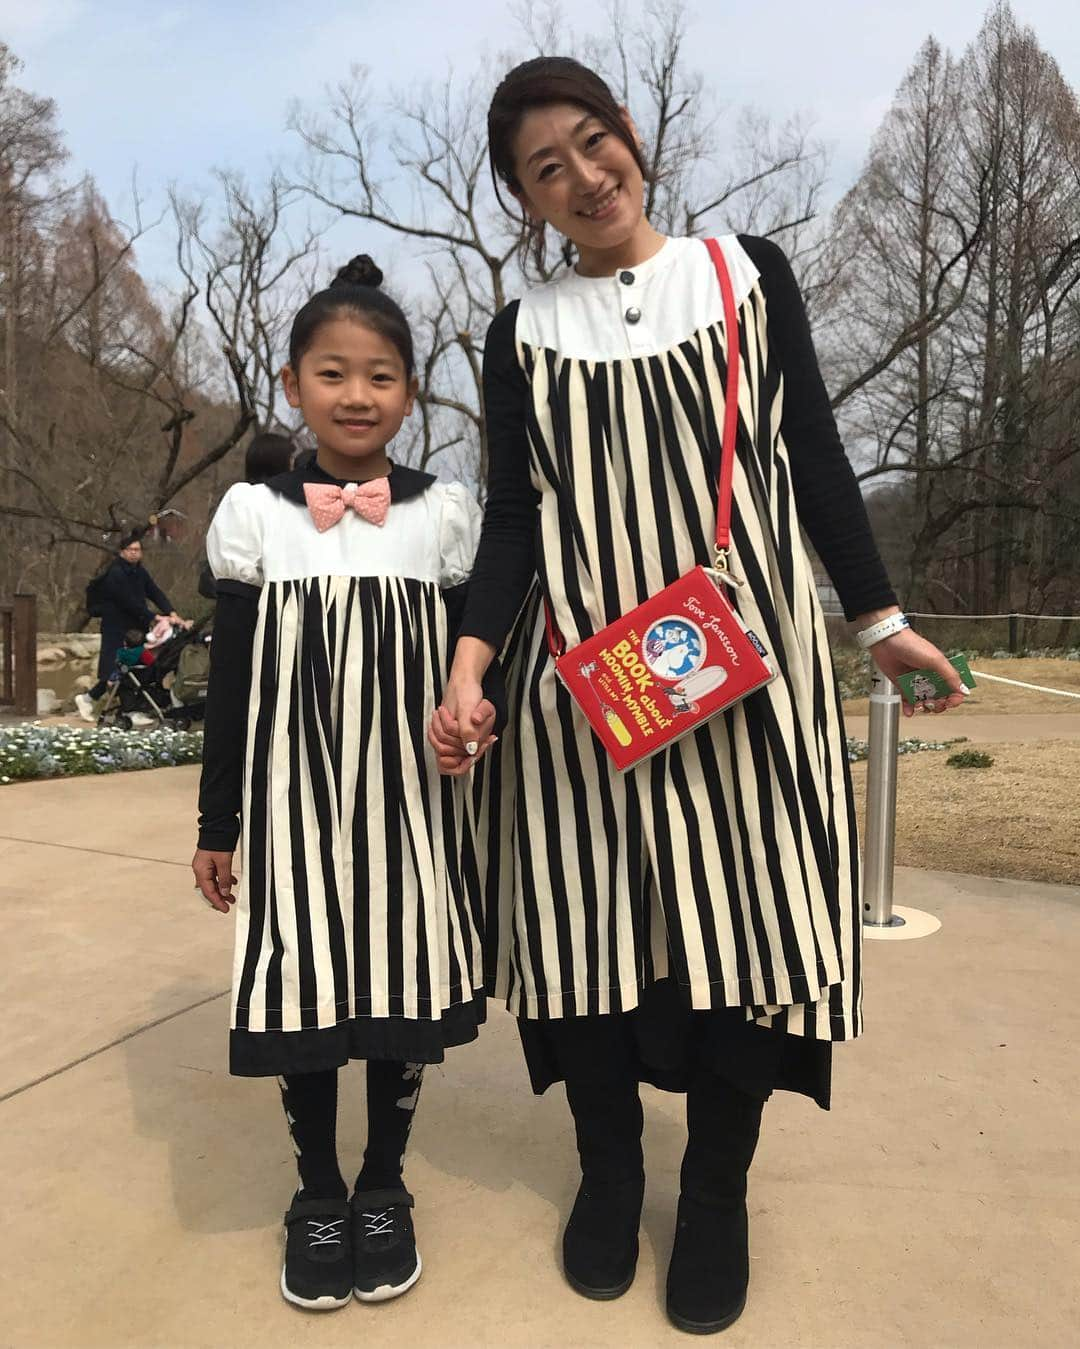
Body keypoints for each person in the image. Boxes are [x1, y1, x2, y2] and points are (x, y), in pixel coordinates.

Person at [429, 57, 966, 1336]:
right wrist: (470, 662)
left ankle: (714, 1187)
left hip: (747, 670)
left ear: (634, 137)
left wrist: (879, 618)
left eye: (591, 140)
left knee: (754, 926)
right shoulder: (522, 332)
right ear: (527, 202)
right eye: (543, 168)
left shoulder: (746, 275)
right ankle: (611, 1166)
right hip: (582, 692)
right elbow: (515, 516)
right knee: (586, 931)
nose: (582, 175)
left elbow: (817, 454)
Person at [191, 255, 496, 1312]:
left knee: (403, 986)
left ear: (410, 391)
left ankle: (384, 1182)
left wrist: (475, 732)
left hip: (414, 803)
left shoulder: (445, 515)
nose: (356, 395)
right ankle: (316, 1189)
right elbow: (229, 682)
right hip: (292, 809)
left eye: (380, 375)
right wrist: (217, 818)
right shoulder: (254, 515)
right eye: (332, 373)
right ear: (291, 385)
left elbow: (475, 659)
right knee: (303, 983)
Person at [75, 532, 190, 722]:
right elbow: (128, 602)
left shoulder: (139, 572)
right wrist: (154, 617)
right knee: (121, 666)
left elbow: (154, 592)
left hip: (135, 629)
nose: (135, 553)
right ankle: (127, 710)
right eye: (131, 550)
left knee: (135, 664)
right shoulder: (116, 574)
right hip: (117, 627)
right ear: (122, 552)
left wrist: (171, 612)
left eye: (138, 550)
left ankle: (90, 698)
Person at [197, 432, 298, 601]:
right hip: (255, 599)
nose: (293, 466)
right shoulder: (254, 498)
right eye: (290, 460)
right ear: (278, 462)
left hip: (242, 596)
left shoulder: (239, 496)